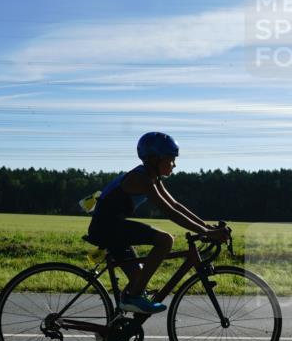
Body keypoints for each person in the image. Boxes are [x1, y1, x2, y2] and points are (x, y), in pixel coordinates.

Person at [86, 132, 228, 314]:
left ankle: (112, 331)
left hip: (112, 227)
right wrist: (206, 233)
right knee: (165, 240)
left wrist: (206, 227)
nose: (174, 165)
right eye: (171, 159)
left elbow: (176, 205)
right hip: (106, 227)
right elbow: (170, 212)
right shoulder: (142, 179)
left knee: (138, 278)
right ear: (154, 159)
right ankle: (133, 298)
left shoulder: (151, 176)